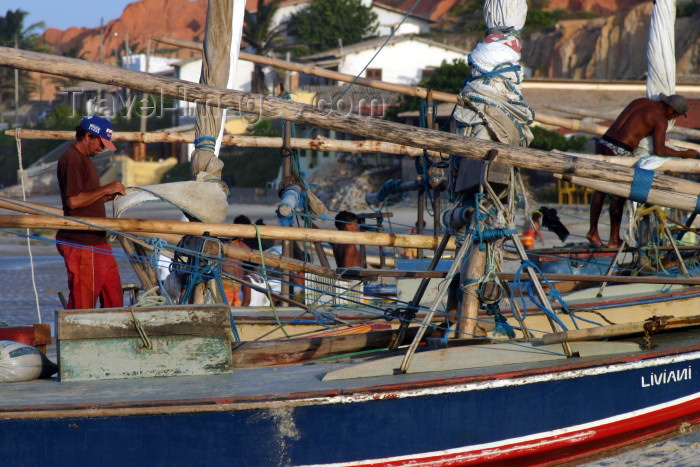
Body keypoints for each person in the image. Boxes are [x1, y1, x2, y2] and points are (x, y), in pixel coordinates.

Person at [587, 94, 700, 247]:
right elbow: (660, 151)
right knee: (618, 197)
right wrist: (687, 154)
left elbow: (635, 126)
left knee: (599, 190)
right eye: (676, 117)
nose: (673, 120)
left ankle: (592, 231)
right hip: (620, 150)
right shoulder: (660, 119)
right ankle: (614, 239)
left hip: (604, 142)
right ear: (671, 111)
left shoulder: (640, 102)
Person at [56, 115, 126, 309]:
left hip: (97, 241)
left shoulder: (85, 159)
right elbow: (74, 201)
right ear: (88, 136)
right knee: (83, 303)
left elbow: (86, 198)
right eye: (100, 143)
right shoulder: (72, 159)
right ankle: (76, 337)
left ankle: (114, 336)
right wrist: (106, 189)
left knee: (114, 297)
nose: (101, 149)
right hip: (81, 243)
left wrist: (106, 197)